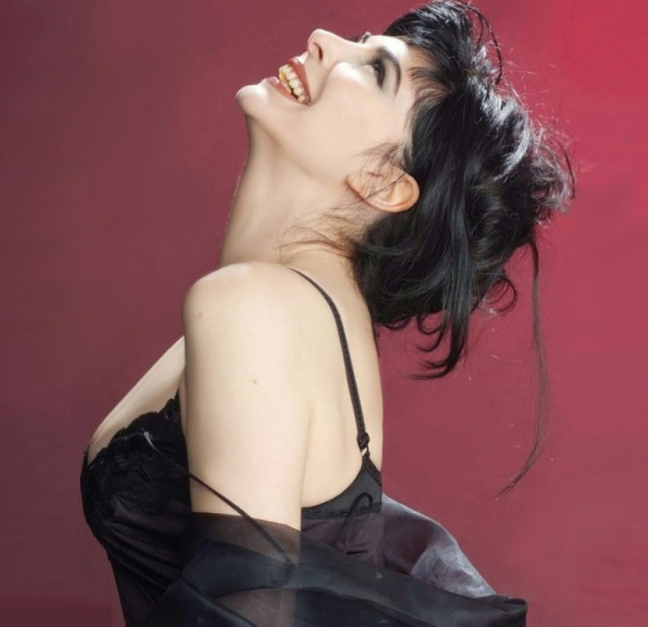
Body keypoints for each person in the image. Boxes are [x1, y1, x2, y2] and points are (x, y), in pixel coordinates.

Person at [80, 1, 575, 624]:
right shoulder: (310, 312)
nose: (321, 38)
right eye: (361, 42)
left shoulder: (257, 309)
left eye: (374, 70)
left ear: (384, 181)